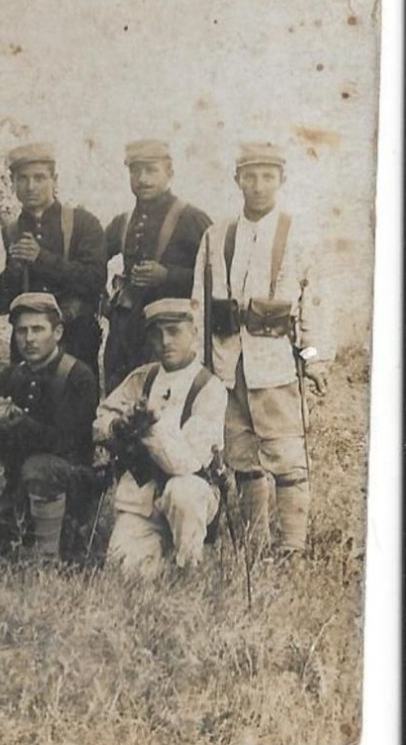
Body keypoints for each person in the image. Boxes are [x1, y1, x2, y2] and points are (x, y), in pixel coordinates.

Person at [191, 142, 329, 558]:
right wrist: (203, 366)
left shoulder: (298, 232)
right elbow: (199, 300)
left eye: (268, 176)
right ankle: (254, 542)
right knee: (242, 457)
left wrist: (313, 357)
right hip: (228, 363)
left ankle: (291, 545)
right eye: (249, 176)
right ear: (237, 180)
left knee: (287, 457)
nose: (258, 185)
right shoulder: (217, 235)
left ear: (282, 180)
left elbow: (315, 300)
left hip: (277, 365)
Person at [93, 298, 227, 579]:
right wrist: (118, 426)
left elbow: (186, 462)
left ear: (193, 331)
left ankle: (190, 565)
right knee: (123, 571)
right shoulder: (143, 377)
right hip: (143, 497)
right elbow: (100, 421)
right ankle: (158, 556)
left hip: (190, 496)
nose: (165, 341)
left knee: (183, 491)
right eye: (157, 333)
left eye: (174, 331)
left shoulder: (209, 388)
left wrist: (149, 426)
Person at [0, 292, 100, 565]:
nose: (29, 339)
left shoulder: (78, 376)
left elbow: (67, 443)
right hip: (21, 485)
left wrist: (21, 423)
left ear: (58, 332)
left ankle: (49, 557)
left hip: (70, 483)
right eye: (21, 331)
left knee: (40, 467)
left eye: (38, 329)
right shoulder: (12, 376)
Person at [102, 140, 212, 392]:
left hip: (170, 335)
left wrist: (167, 276)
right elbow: (93, 262)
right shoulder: (123, 221)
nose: (142, 179)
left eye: (151, 170)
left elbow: (214, 277)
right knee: (120, 397)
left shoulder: (192, 218)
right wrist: (106, 297)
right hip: (126, 334)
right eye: (135, 171)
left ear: (169, 173)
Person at [0, 142, 108, 373]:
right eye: (22, 178)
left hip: (76, 341)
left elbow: (94, 280)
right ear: (12, 183)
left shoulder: (84, 223)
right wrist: (13, 271)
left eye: (40, 177)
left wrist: (41, 258)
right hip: (26, 346)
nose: (31, 186)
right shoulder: (7, 233)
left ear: (55, 180)